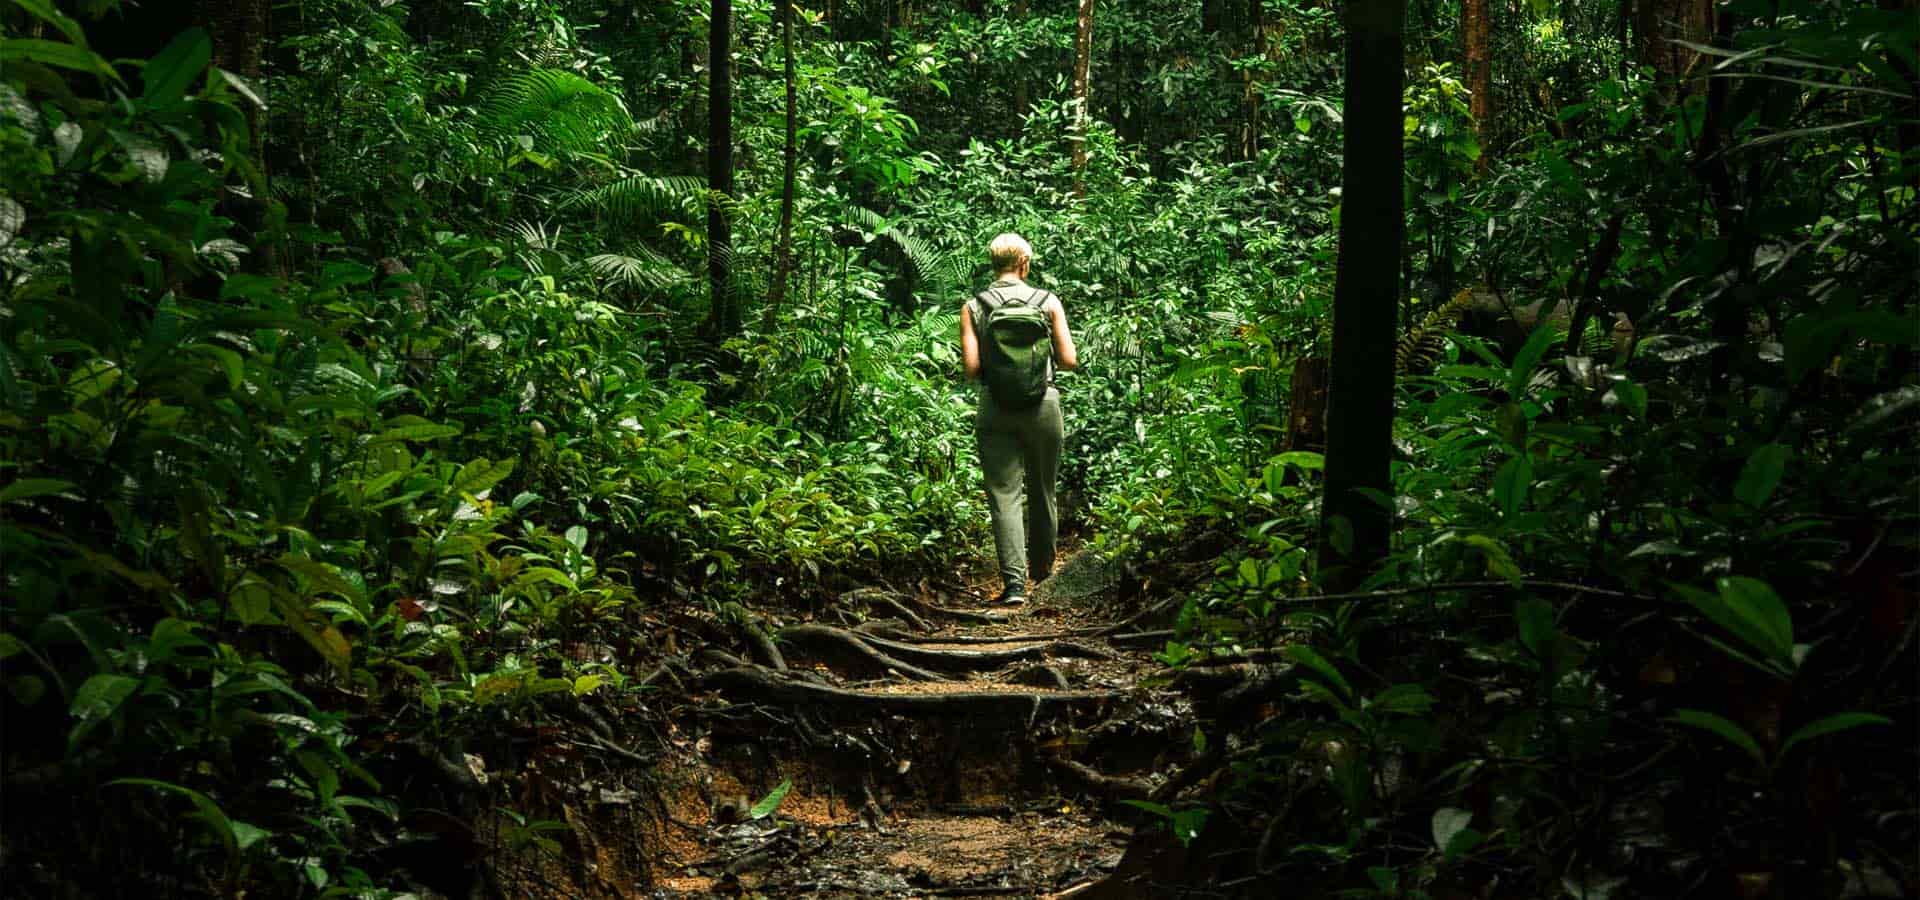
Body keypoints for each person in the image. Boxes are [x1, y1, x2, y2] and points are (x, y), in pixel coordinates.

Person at [959, 233, 1079, 605]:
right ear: (1025, 264)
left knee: (1004, 495)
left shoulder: (974, 305)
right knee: (1043, 489)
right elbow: (1069, 360)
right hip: (1043, 404)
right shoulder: (1048, 301)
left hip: (995, 407)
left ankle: (1013, 588)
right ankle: (1043, 576)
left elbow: (972, 368)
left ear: (993, 264)